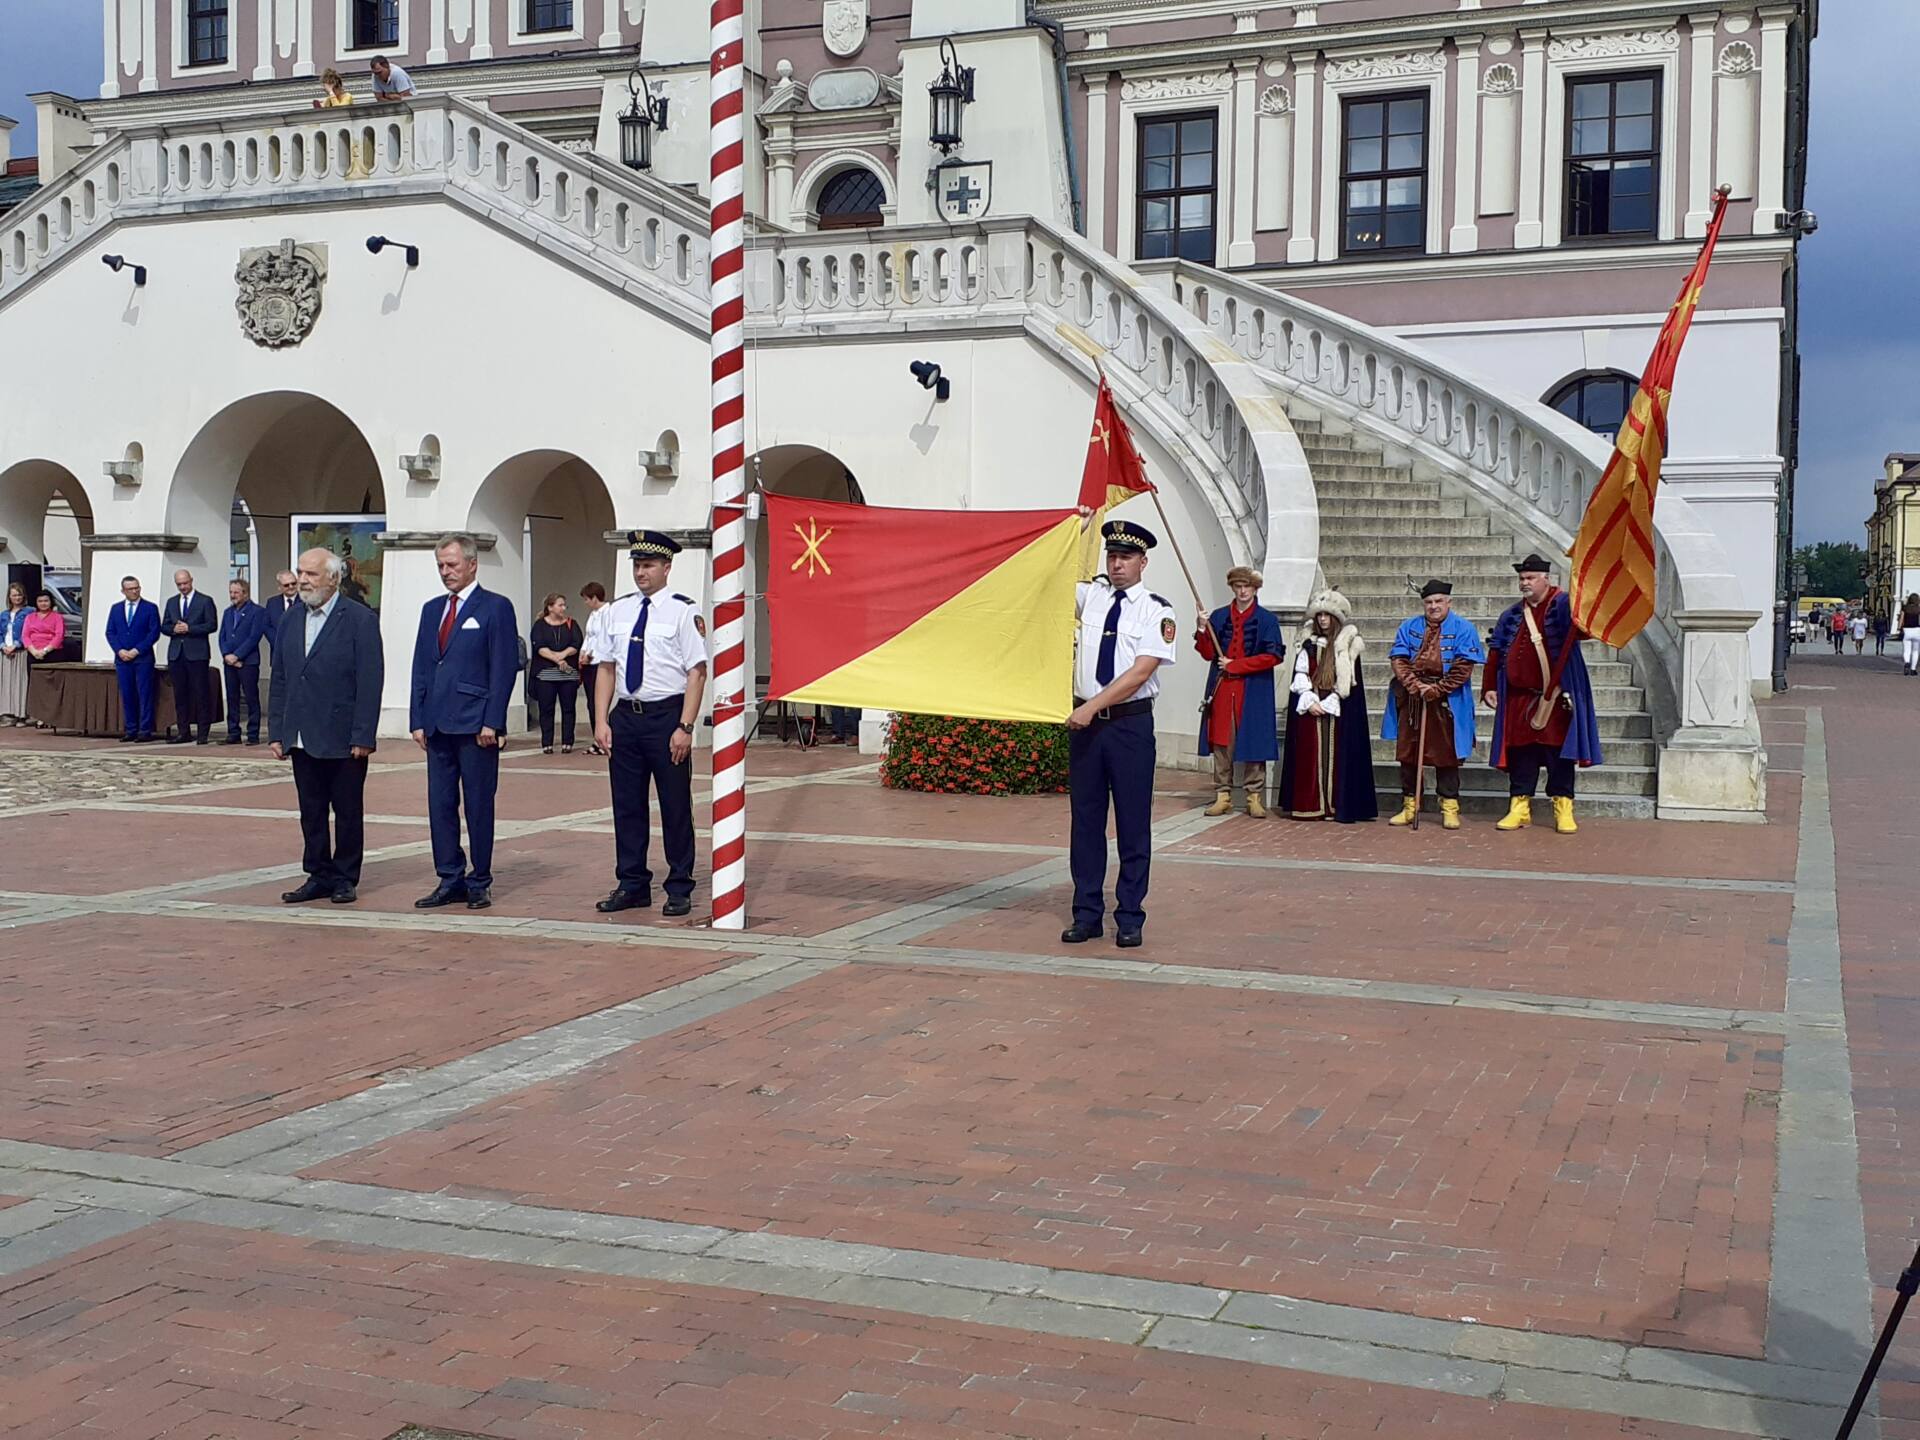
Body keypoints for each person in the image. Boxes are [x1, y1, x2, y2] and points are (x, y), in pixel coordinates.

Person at [1062, 520, 1177, 949]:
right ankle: (1087, 913)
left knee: (1132, 824)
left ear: (1143, 562)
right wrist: (1080, 526)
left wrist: (1091, 707)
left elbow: (1141, 671)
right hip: (1087, 729)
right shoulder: (1090, 596)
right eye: (1111, 556)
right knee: (1086, 824)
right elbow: (1054, 572)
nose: (1117, 564)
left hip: (1128, 725)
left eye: (1125, 557)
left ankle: (1130, 914)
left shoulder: (1156, 609)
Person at [593, 531, 708, 918]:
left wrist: (686, 726)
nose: (641, 573)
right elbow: (606, 668)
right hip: (626, 716)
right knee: (626, 805)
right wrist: (600, 720)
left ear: (666, 568)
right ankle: (632, 883)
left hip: (665, 717)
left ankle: (679, 885)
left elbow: (697, 672)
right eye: (637, 566)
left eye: (649, 566)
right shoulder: (617, 611)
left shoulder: (681, 611)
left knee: (675, 805)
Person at [409, 533, 518, 910]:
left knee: (477, 804)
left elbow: (503, 669)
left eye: (452, 564)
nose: (446, 572)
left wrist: (494, 721)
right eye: (440, 565)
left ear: (472, 564)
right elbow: (422, 666)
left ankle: (480, 879)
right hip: (437, 724)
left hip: (475, 726)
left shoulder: (495, 607)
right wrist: (417, 718)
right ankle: (449, 877)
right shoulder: (431, 609)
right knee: (440, 804)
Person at [269, 548, 384, 904]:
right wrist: (277, 731)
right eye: (300, 572)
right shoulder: (291, 619)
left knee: (347, 810)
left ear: (334, 579)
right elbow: (281, 677)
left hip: (342, 734)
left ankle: (345, 876)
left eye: (312, 574)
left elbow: (370, 681)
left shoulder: (359, 619)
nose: (303, 580)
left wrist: (363, 734)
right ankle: (318, 873)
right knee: (311, 810)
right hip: (302, 733)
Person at [1483, 554, 1603, 835]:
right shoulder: (1511, 614)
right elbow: (1496, 651)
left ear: (1545, 579)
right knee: (1521, 754)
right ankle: (1519, 807)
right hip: (1519, 698)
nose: (1524, 583)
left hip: (1555, 698)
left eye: (1530, 578)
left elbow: (1583, 627)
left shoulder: (1562, 605)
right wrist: (1489, 686)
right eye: (1522, 579)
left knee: (1558, 754)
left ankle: (1563, 807)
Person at [1382, 580, 1483, 831]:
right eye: (1429, 602)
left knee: (1446, 755)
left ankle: (1449, 806)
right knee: (1408, 754)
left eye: (1439, 601)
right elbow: (1399, 658)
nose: (1434, 606)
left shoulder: (1464, 628)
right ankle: (1409, 806)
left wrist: (1437, 690)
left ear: (1449, 602)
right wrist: (1416, 686)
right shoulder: (1409, 626)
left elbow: (1463, 667)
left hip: (1447, 701)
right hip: (1412, 698)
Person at [1278, 588, 1377, 823]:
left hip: (1338, 708)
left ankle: (1336, 805)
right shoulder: (1308, 643)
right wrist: (1310, 700)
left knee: (1338, 757)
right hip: (1310, 705)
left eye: (1327, 615)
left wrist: (1332, 700)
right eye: (1319, 615)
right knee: (1309, 757)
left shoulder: (1348, 645)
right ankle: (1311, 804)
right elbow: (1300, 673)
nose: (1322, 619)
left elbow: (1349, 680)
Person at [1193, 564, 1282, 817]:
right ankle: (1223, 795)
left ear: (1255, 589)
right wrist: (1201, 628)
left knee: (1254, 741)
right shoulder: (1219, 617)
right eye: (1238, 587)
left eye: (1247, 587)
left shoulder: (1267, 620)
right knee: (1222, 742)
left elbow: (1273, 655)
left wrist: (1238, 665)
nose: (1243, 592)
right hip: (1223, 688)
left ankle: (1254, 796)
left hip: (1253, 690)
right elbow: (1208, 653)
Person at [161, 568, 217, 744]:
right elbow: (164, 625)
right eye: (179, 584)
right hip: (177, 654)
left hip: (197, 653)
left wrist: (190, 628)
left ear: (191, 581)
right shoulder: (171, 602)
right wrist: (173, 629)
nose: (183, 587)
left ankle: (202, 733)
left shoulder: (205, 601)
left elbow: (211, 625)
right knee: (180, 694)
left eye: (185, 583)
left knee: (200, 694)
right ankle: (183, 731)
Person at [105, 575, 160, 743]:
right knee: (128, 694)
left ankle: (145, 730)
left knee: (144, 694)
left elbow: (154, 632)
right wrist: (119, 650)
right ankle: (131, 729)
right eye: (130, 589)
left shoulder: (149, 608)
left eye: (137, 588)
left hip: (142, 658)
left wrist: (137, 650)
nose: (134, 591)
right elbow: (110, 632)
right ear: (123, 591)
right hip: (122, 659)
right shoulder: (116, 609)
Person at [529, 592, 584, 754]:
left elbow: (577, 643)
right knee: (546, 708)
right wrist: (556, 660)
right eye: (560, 605)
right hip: (546, 674)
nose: (563, 608)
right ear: (550, 607)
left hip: (568, 674)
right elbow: (539, 646)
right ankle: (547, 742)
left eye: (564, 605)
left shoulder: (571, 624)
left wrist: (563, 655)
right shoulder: (539, 625)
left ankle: (568, 741)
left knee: (568, 708)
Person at [218, 578, 269, 745]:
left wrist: (238, 656)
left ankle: (252, 733)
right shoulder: (228, 612)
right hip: (229, 662)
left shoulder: (257, 611)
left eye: (236, 592)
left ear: (245, 593)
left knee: (250, 697)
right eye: (231, 592)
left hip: (248, 662)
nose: (233, 595)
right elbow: (223, 636)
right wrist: (227, 655)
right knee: (232, 697)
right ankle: (233, 732)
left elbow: (254, 637)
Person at [578, 581, 609, 755]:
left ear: (595, 597)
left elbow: (604, 639)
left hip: (600, 662)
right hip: (589, 662)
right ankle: (596, 738)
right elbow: (589, 636)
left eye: (587, 599)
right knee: (591, 702)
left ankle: (604, 739)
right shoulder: (593, 614)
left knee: (599, 702)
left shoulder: (607, 613)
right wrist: (583, 653)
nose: (586, 603)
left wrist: (592, 654)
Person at [0, 583, 29, 725]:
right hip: (5, 652)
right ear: (9, 597)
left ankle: (21, 715)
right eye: (14, 595)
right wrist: (3, 646)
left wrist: (16, 645)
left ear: (23, 596)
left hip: (20, 651)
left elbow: (29, 632)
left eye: (19, 594)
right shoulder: (4, 614)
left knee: (20, 683)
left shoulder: (29, 612)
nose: (16, 597)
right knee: (6, 683)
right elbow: (1, 633)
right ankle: (7, 713)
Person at [22, 589, 65, 665]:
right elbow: (25, 636)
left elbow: (59, 636)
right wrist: (34, 651)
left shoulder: (57, 617)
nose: (43, 603)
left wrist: (45, 651)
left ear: (50, 602)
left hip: (52, 653)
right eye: (40, 601)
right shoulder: (30, 617)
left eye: (46, 601)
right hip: (33, 653)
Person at [1903, 596, 1920, 677]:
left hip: (1907, 630)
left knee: (1907, 650)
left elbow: (1901, 619)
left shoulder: (1905, 608)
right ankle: (1913, 670)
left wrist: (1899, 628)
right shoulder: (1918, 609)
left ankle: (1907, 662)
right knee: (1915, 651)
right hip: (1917, 630)